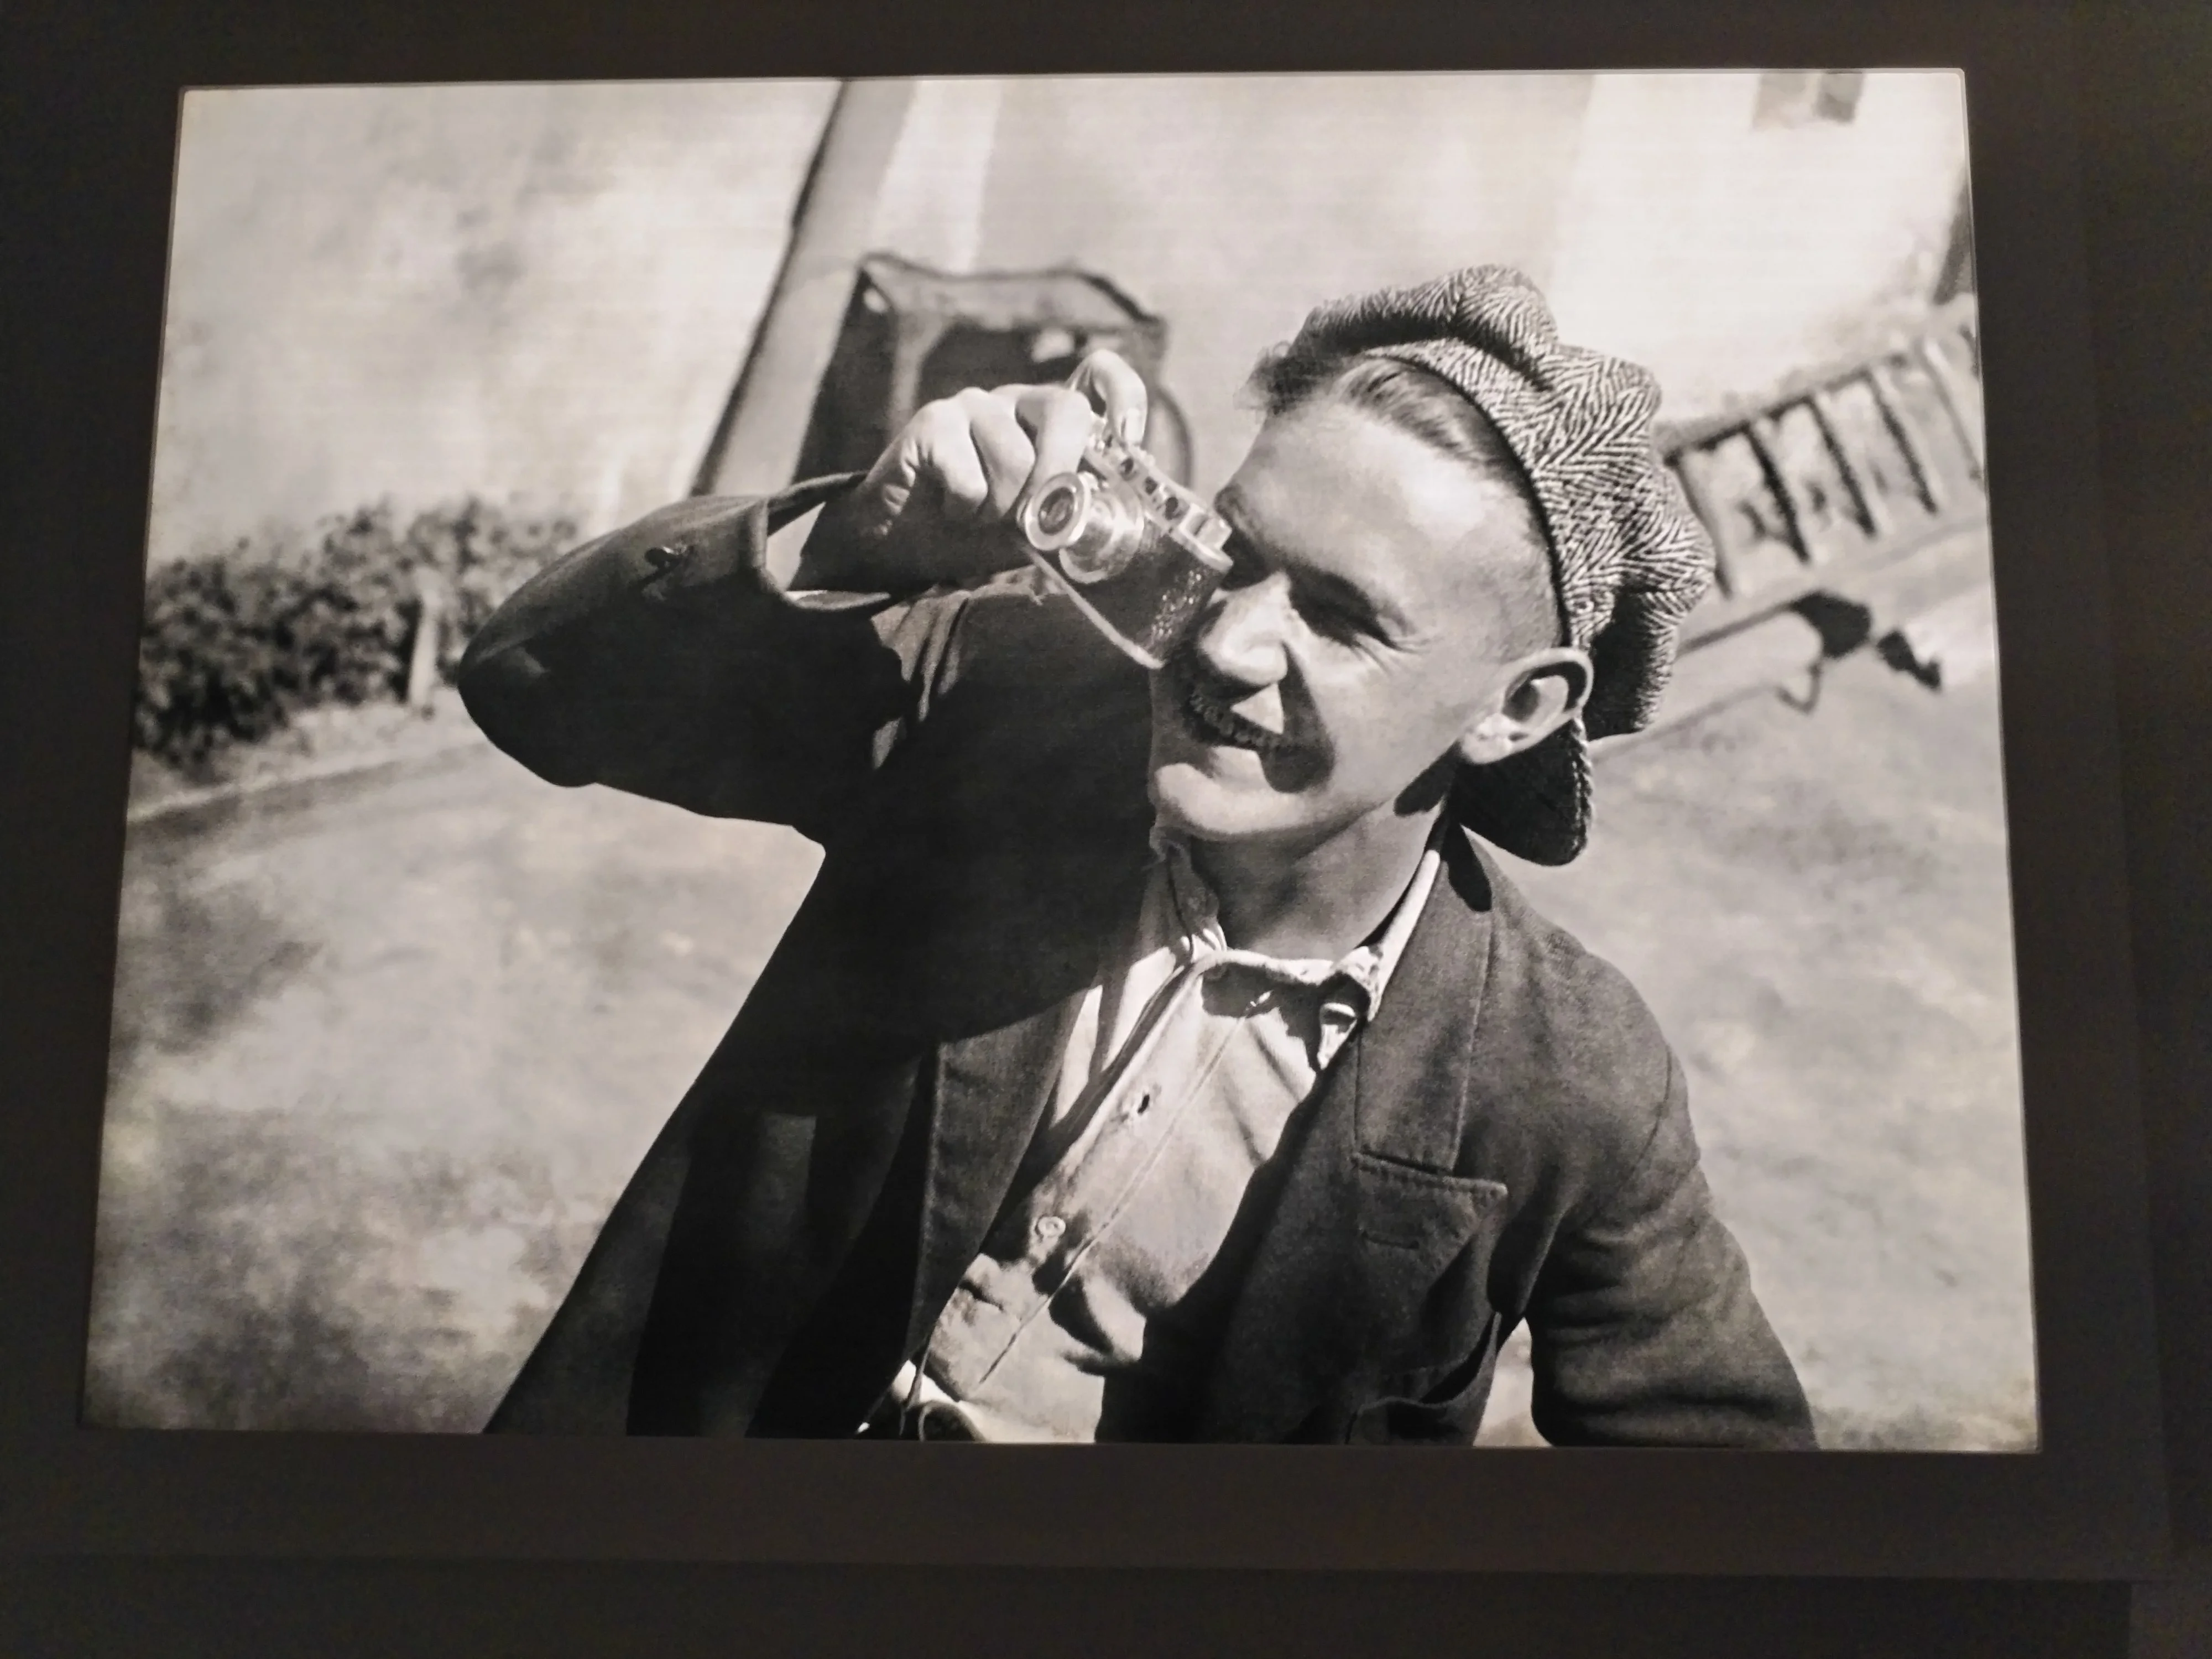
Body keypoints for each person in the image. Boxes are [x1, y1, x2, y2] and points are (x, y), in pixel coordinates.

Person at [460, 265, 1815, 1446]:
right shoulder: (998, 700)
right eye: (1235, 556)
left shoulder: (1564, 1072)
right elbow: (534, 689)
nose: (1224, 642)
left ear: (1515, 709)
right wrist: (858, 537)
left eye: (1341, 619)